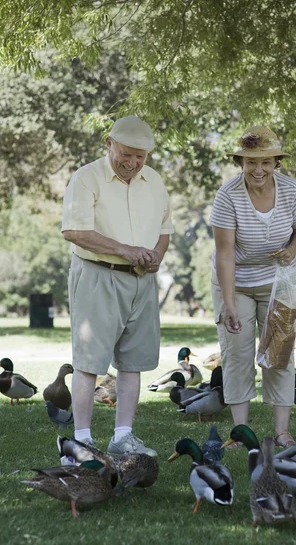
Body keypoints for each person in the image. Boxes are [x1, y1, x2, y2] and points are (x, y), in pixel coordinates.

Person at [62, 115, 173, 456]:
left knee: (133, 361)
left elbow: (164, 229)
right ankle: (81, 440)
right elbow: (74, 231)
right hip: (98, 275)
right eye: (126, 153)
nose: (133, 162)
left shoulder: (153, 181)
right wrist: (126, 250)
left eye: (140, 156)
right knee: (89, 363)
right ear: (109, 144)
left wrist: (156, 255)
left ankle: (123, 437)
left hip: (142, 280)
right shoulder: (86, 178)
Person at [210, 125, 296, 448]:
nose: (258, 169)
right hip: (235, 282)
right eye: (251, 162)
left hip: (277, 283)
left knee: (279, 355)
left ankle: (282, 432)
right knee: (237, 353)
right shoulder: (228, 196)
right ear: (241, 162)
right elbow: (224, 254)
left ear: (276, 163)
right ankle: (241, 433)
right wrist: (228, 304)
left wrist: (291, 250)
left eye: (266, 162)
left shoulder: (291, 190)